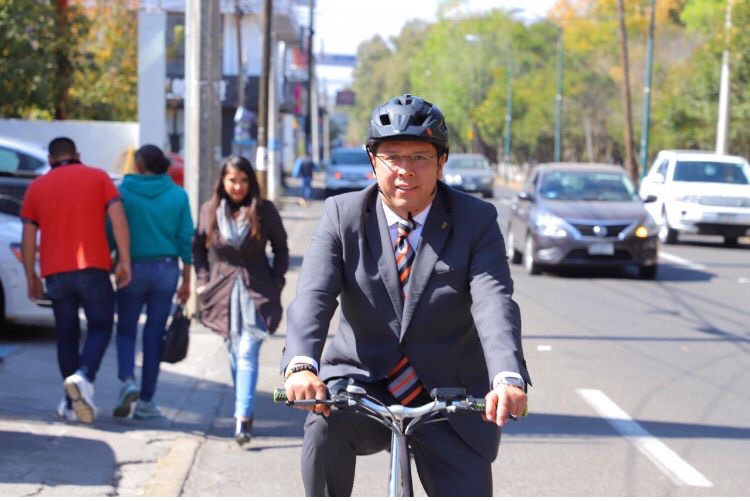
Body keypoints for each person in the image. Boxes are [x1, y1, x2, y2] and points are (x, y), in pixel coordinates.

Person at [281, 94, 531, 496]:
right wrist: (301, 366)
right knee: (323, 424)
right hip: (362, 383)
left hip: (450, 394)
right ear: (372, 162)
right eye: (392, 157)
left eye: (419, 157)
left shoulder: (476, 220)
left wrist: (506, 376)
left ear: (442, 162)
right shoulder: (341, 215)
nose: (404, 171)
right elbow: (314, 295)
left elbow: (494, 300)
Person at [20, 136, 132, 424]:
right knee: (101, 326)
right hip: (93, 268)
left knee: (66, 335)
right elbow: (118, 218)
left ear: (50, 159)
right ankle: (83, 377)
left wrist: (31, 275)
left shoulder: (37, 187)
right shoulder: (98, 177)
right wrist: (124, 260)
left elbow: (29, 235)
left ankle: (71, 402)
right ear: (77, 154)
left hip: (55, 273)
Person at [193, 155, 289, 445]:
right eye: (232, 180)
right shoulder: (210, 210)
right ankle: (242, 408)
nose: (238, 186)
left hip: (257, 291)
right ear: (223, 181)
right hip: (222, 293)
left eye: (244, 180)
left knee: (247, 351)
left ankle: (242, 419)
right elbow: (197, 247)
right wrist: (202, 280)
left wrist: (277, 280)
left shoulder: (263, 210)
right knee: (234, 353)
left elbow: (281, 248)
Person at [112, 144, 194, 420]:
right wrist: (186, 280)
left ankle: (127, 381)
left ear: (137, 165)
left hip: (131, 268)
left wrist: (115, 261)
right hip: (166, 270)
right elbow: (186, 240)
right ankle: (146, 401)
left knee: (125, 330)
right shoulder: (178, 195)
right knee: (154, 336)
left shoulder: (123, 193)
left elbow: (112, 230)